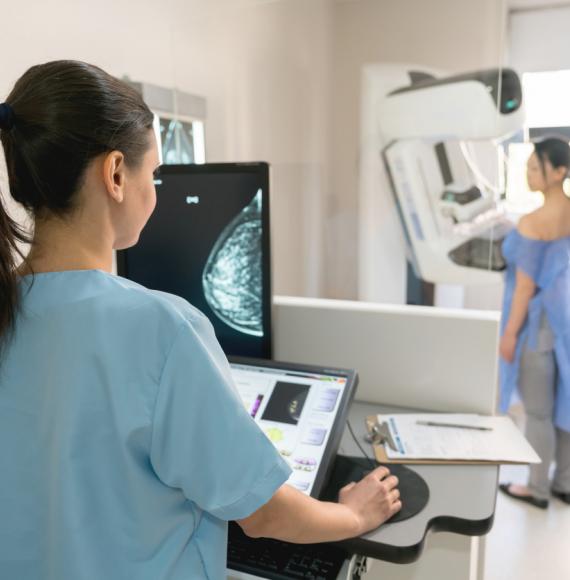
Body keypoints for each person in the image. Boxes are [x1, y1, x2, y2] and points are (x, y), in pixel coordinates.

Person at [0, 61, 401, 580]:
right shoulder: (161, 329)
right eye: (155, 174)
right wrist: (354, 513)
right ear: (116, 174)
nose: (157, 191)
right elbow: (262, 513)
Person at [499, 137, 570, 509]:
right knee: (565, 405)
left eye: (534, 167)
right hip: (565, 320)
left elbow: (524, 289)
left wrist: (510, 334)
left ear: (558, 172)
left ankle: (538, 488)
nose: (528, 173)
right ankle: (563, 483)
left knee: (539, 411)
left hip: (537, 326)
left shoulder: (533, 221)